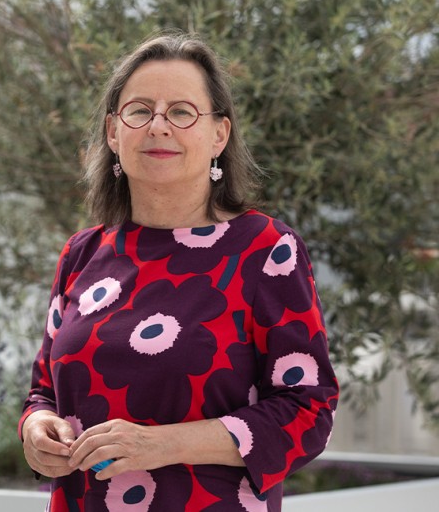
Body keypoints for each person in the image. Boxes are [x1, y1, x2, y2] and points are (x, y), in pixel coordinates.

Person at [19, 31, 338, 511]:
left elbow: (307, 413)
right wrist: (36, 428)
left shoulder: (267, 250)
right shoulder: (81, 254)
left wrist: (161, 444)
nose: (158, 126)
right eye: (140, 110)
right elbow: (43, 390)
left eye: (182, 112)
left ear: (219, 135)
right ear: (113, 132)